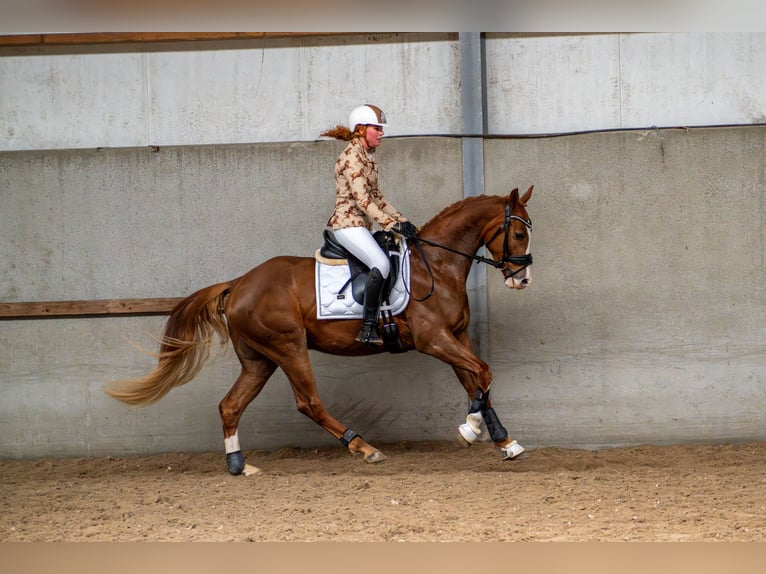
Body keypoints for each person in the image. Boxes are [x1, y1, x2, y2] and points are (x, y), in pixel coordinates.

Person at [321, 104, 417, 345]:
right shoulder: (352, 157)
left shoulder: (368, 158)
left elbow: (379, 199)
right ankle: (367, 327)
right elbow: (363, 200)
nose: (382, 133)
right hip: (347, 225)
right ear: (362, 129)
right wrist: (389, 225)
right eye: (377, 128)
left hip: (363, 226)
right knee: (381, 264)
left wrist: (403, 222)